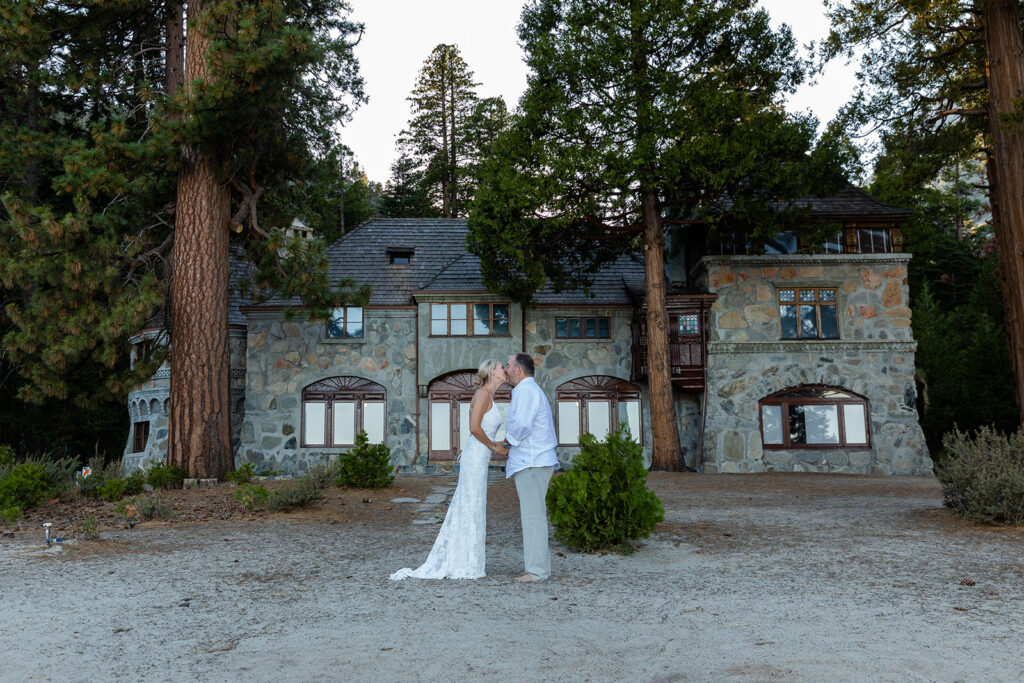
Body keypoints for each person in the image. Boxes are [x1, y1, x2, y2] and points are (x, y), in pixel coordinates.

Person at [390, 359, 509, 580]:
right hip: (475, 458)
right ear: (492, 371)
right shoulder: (482, 394)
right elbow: (474, 428)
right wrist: (495, 447)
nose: (506, 370)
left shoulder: (489, 395)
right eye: (503, 366)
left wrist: (497, 445)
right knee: (470, 506)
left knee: (473, 506)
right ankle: (465, 563)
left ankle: (469, 560)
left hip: (480, 457)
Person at [500, 352, 559, 582]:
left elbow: (522, 424)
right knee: (535, 516)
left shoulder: (525, 391)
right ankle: (540, 568)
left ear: (518, 370)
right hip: (534, 462)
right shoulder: (528, 390)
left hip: (532, 462)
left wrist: (506, 444)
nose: (505, 369)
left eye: (507, 364)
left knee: (533, 517)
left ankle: (536, 571)